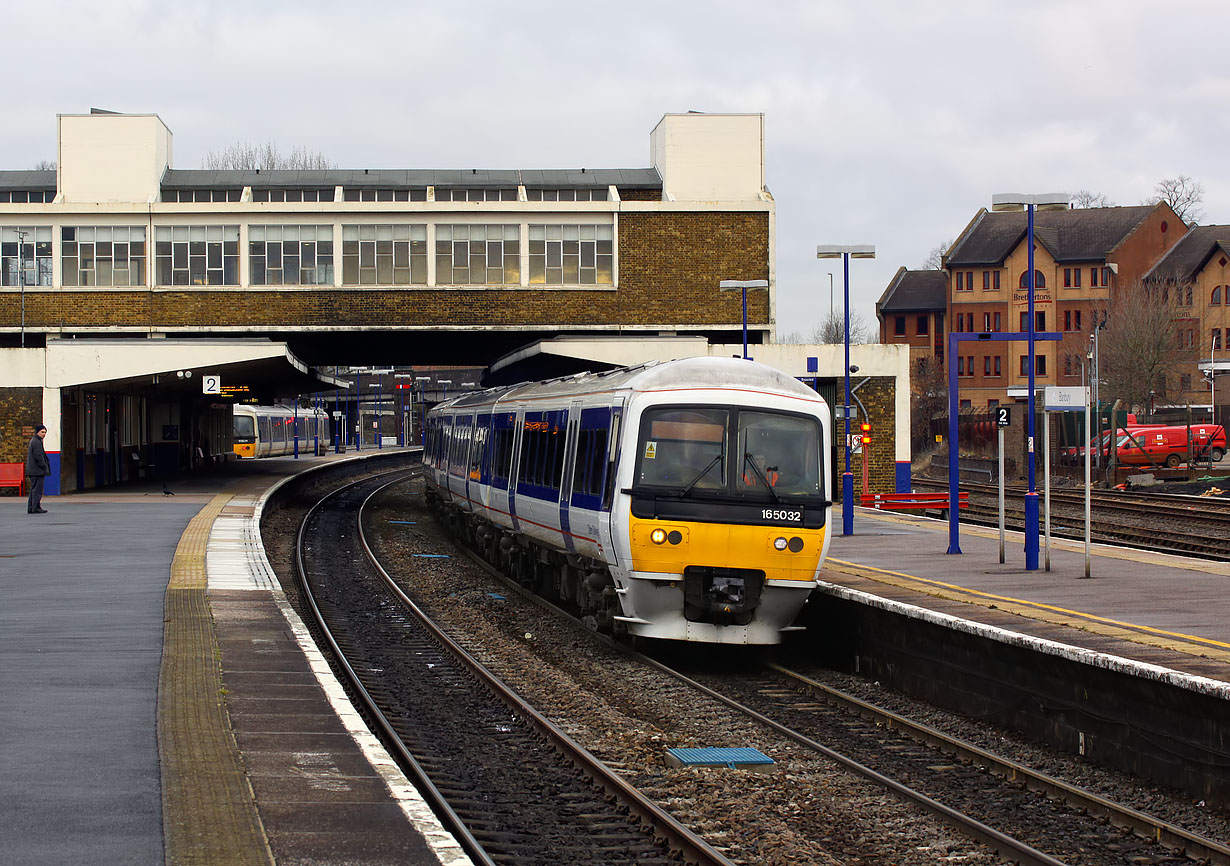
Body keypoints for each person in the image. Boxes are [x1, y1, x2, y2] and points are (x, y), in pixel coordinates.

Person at [26, 424, 50, 514]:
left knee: (33, 489)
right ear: (37, 432)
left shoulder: (35, 441)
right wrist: (44, 465)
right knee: (37, 490)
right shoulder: (36, 442)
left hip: (33, 470)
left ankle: (31, 507)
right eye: (42, 432)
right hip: (37, 470)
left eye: (45, 432)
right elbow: (38, 456)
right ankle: (35, 507)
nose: (44, 434)